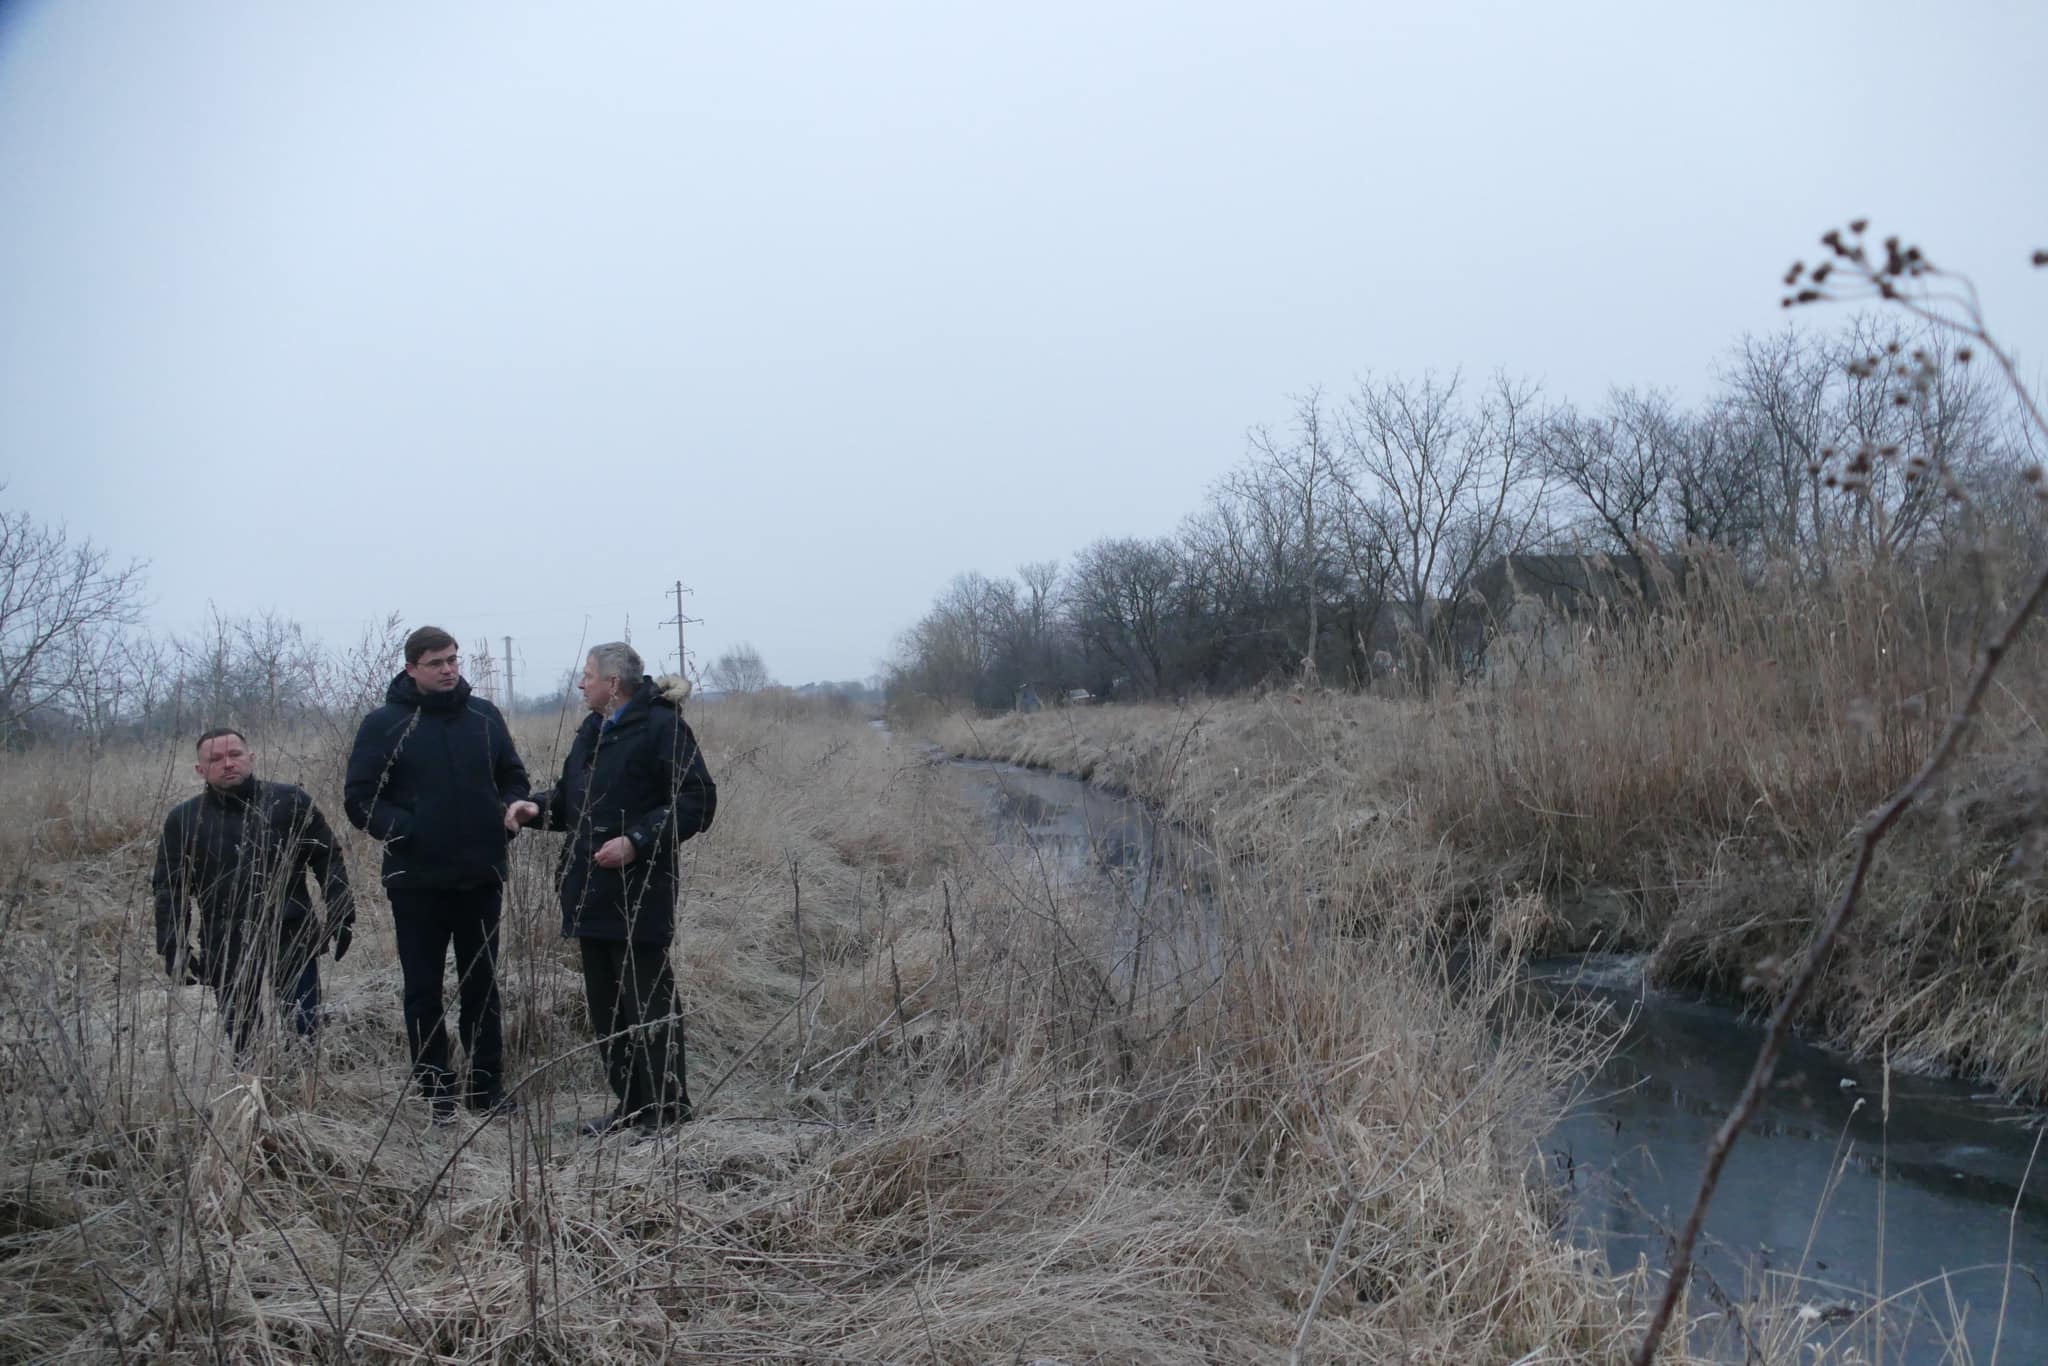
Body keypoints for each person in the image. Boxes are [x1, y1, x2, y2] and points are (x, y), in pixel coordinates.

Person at [506, 641, 716, 1137]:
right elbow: (573, 803)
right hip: (588, 892)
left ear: (613, 684)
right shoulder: (591, 730)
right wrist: (535, 809)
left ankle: (668, 1112)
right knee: (607, 1007)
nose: (582, 683)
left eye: (588, 675)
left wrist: (638, 842)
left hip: (640, 893)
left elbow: (697, 801)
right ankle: (632, 1106)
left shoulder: (662, 728)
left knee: (648, 1002)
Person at [344, 626, 529, 1121]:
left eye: (453, 659)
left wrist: (511, 808)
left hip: (481, 875)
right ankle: (436, 1092)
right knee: (424, 988)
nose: (448, 669)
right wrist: (407, 830)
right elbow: (359, 800)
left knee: (482, 985)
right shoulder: (384, 723)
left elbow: (513, 775)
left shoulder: (484, 717)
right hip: (417, 881)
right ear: (411, 669)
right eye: (436, 663)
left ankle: (486, 1089)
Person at [152, 727, 356, 1056]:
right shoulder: (185, 820)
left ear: (251, 757)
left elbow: (327, 856)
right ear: (200, 770)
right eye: (215, 758)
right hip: (225, 938)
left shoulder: (289, 801)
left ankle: (304, 1094)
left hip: (291, 930)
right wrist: (172, 945)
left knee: (305, 1027)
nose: (228, 763)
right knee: (244, 1037)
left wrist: (342, 913)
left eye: (234, 754)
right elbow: (169, 888)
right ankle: (254, 1097)